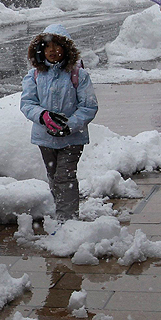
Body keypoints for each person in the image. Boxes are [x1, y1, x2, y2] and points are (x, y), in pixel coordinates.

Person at [20, 24, 99, 222]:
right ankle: (62, 209)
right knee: (54, 177)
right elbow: (27, 103)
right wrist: (43, 116)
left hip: (72, 138)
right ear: (41, 51)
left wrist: (69, 125)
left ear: (66, 49)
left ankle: (67, 220)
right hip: (45, 138)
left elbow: (89, 106)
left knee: (65, 177)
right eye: (48, 47)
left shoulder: (78, 75)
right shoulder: (35, 76)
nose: (52, 51)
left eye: (57, 46)